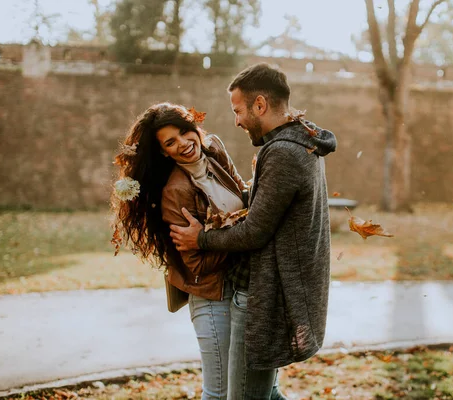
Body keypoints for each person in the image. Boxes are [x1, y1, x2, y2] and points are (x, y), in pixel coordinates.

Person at [170, 63, 337, 400]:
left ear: (259, 104)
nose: (236, 121)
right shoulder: (301, 141)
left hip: (263, 295)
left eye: (238, 111)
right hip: (265, 288)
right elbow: (265, 211)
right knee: (264, 394)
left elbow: (254, 233)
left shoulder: (284, 153)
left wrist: (199, 238)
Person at [110, 102, 251, 400]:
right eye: (170, 142)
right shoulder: (176, 193)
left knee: (251, 389)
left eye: (185, 133)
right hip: (212, 297)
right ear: (164, 152)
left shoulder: (214, 151)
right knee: (218, 392)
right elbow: (196, 265)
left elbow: (242, 194)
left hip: (241, 289)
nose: (184, 144)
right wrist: (242, 240)